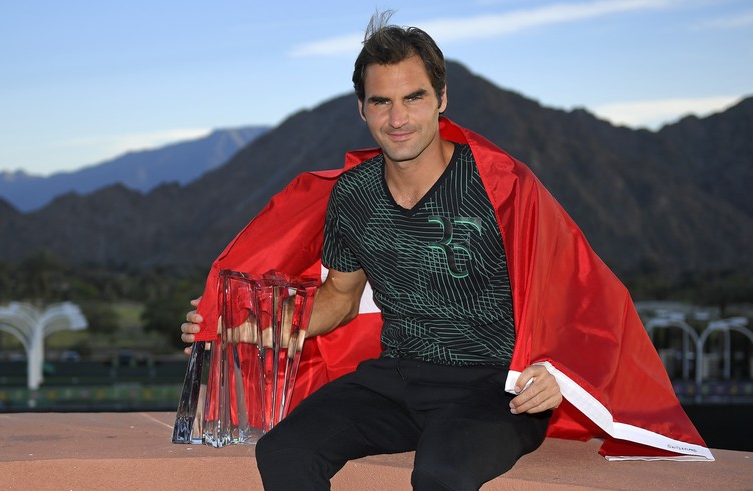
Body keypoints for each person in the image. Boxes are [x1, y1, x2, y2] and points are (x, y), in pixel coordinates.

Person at [182, 10, 711, 490]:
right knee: (285, 452)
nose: (398, 118)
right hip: (396, 379)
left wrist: (557, 369)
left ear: (441, 99)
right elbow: (339, 299)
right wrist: (244, 328)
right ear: (361, 109)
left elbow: (579, 292)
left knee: (441, 474)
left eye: (414, 97)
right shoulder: (352, 194)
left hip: (494, 390)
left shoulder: (501, 186)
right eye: (381, 101)